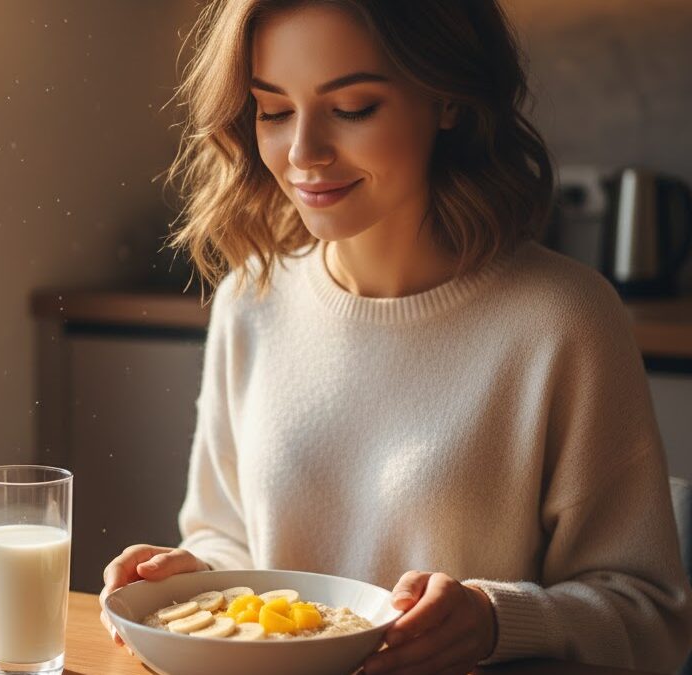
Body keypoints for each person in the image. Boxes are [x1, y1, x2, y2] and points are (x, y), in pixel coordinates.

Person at [100, 1, 692, 673]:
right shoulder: (249, 300)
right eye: (273, 110)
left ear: (448, 99)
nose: (302, 154)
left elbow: (652, 617)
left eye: (351, 107)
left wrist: (496, 622)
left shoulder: (565, 320)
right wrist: (194, 574)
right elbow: (230, 539)